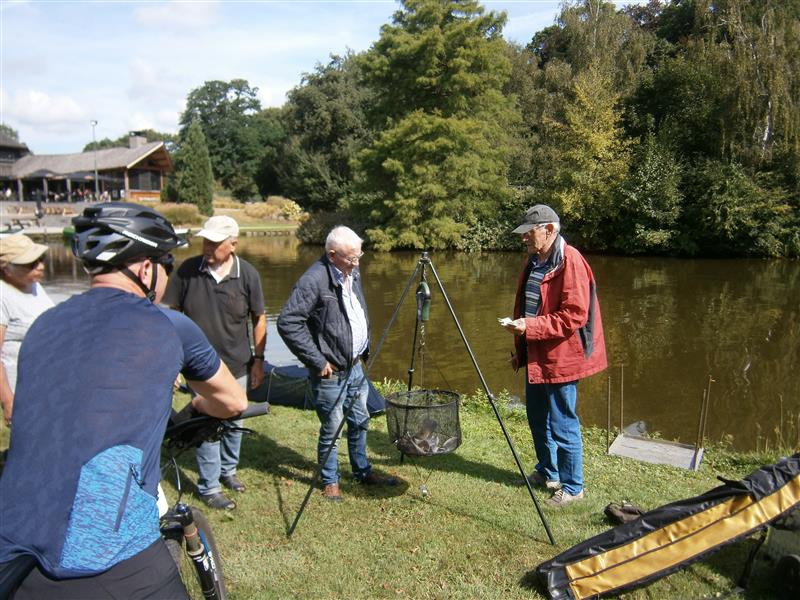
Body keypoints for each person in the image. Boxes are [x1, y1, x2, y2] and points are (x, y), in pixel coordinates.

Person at [0, 202, 247, 598]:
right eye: (167, 263)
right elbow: (232, 400)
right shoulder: (168, 324)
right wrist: (199, 408)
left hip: (13, 545)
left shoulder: (44, 325)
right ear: (146, 269)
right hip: (104, 559)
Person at [277, 225, 397, 502]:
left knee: (360, 420)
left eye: (359, 256)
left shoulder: (351, 271)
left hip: (355, 366)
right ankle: (330, 480)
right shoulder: (313, 280)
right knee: (332, 428)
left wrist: (363, 349)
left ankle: (362, 471)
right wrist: (317, 360)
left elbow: (352, 312)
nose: (357, 263)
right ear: (332, 255)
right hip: (330, 373)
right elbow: (288, 322)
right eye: (351, 258)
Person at [503, 204, 607, 508]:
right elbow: (529, 306)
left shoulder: (570, 260)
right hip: (537, 352)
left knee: (563, 422)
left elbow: (574, 315)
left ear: (549, 230)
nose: (524, 238)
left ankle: (573, 487)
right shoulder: (535, 260)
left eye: (529, 232)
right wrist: (521, 347)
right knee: (537, 417)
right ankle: (548, 471)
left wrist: (529, 326)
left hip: (562, 357)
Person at [163, 215, 266, 511]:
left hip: (238, 363)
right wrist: (173, 362)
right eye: (205, 241)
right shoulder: (187, 272)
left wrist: (258, 361)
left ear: (232, 245)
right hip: (200, 369)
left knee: (235, 420)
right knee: (207, 424)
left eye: (214, 242)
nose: (207, 247)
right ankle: (209, 487)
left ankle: (228, 470)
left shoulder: (248, 274)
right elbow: (172, 316)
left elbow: (259, 318)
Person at [0, 234, 54, 427]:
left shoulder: (34, 286)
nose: (40, 266)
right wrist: (8, 400)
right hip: (20, 390)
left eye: (41, 259)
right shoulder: (2, 295)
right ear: (7, 269)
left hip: (44, 385)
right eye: (30, 263)